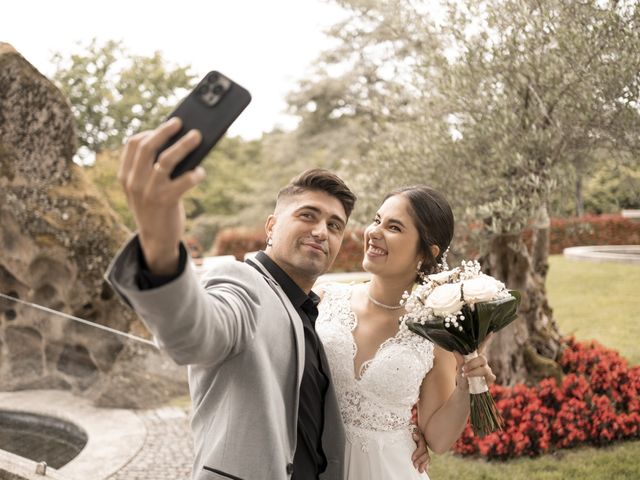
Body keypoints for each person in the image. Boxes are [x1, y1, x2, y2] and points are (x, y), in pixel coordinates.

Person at [105, 118, 428, 480]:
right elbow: (194, 334)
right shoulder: (242, 283)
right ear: (271, 227)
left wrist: (400, 431)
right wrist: (160, 243)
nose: (321, 231)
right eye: (308, 215)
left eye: (335, 225)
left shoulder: (313, 310)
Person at [316, 186, 497, 479]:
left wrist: (466, 386)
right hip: (316, 464)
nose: (374, 232)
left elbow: (437, 438)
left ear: (427, 253)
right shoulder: (323, 299)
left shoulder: (435, 333)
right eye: (377, 220)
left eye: (394, 227)